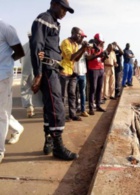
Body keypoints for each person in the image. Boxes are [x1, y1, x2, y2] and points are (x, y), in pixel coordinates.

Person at [30, 0, 78, 161]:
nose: (65, 12)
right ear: (54, 4)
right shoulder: (44, 18)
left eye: (66, 10)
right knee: (57, 106)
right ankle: (58, 147)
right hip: (47, 70)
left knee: (49, 107)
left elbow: (50, 49)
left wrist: (59, 66)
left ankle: (49, 141)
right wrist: (38, 74)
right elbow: (36, 46)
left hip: (53, 69)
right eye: (63, 8)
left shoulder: (54, 23)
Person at [0, 19, 25, 163]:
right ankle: (17, 128)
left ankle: (0, 150)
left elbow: (20, 52)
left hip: (3, 76)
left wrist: (6, 63)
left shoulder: (6, 28)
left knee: (2, 113)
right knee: (2, 111)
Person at [60, 27, 88, 121]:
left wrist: (83, 49)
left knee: (72, 94)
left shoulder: (76, 44)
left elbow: (76, 59)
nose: (80, 37)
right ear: (73, 33)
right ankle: (61, 116)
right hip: (64, 71)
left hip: (72, 72)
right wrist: (82, 49)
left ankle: (72, 114)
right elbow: (71, 57)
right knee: (63, 96)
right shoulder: (65, 42)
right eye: (79, 34)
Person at [20, 32, 43, 118]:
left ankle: (29, 108)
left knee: (26, 90)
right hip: (37, 72)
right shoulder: (40, 45)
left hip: (26, 72)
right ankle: (43, 107)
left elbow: (20, 60)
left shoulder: (24, 46)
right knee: (39, 89)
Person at [86, 33, 107, 115]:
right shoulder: (90, 46)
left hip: (101, 69)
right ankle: (91, 107)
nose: (99, 43)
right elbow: (88, 58)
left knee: (99, 88)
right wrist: (97, 54)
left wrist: (104, 56)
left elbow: (101, 60)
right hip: (93, 69)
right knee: (93, 88)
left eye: (100, 42)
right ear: (95, 39)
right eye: (98, 41)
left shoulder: (100, 47)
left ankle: (98, 105)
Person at [74, 34, 89, 117]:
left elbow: (88, 57)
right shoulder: (74, 46)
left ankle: (83, 110)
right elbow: (76, 58)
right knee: (74, 93)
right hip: (75, 72)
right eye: (82, 37)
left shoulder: (84, 47)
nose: (83, 39)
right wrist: (82, 49)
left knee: (82, 93)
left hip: (83, 72)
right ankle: (75, 109)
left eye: (83, 37)